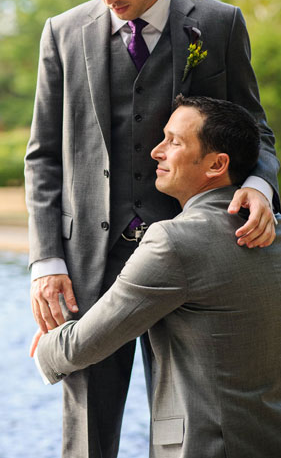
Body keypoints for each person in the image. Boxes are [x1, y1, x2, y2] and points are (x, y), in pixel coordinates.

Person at [24, 0, 280, 457]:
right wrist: (46, 261)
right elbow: (43, 157)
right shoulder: (62, 34)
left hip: (194, 257)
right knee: (87, 435)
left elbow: (255, 131)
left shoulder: (217, 24)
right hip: (89, 263)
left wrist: (260, 187)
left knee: (189, 423)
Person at [31, 95, 281, 458]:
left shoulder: (175, 241)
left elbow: (86, 343)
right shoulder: (273, 233)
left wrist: (46, 346)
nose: (156, 151)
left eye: (174, 141)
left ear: (216, 164)